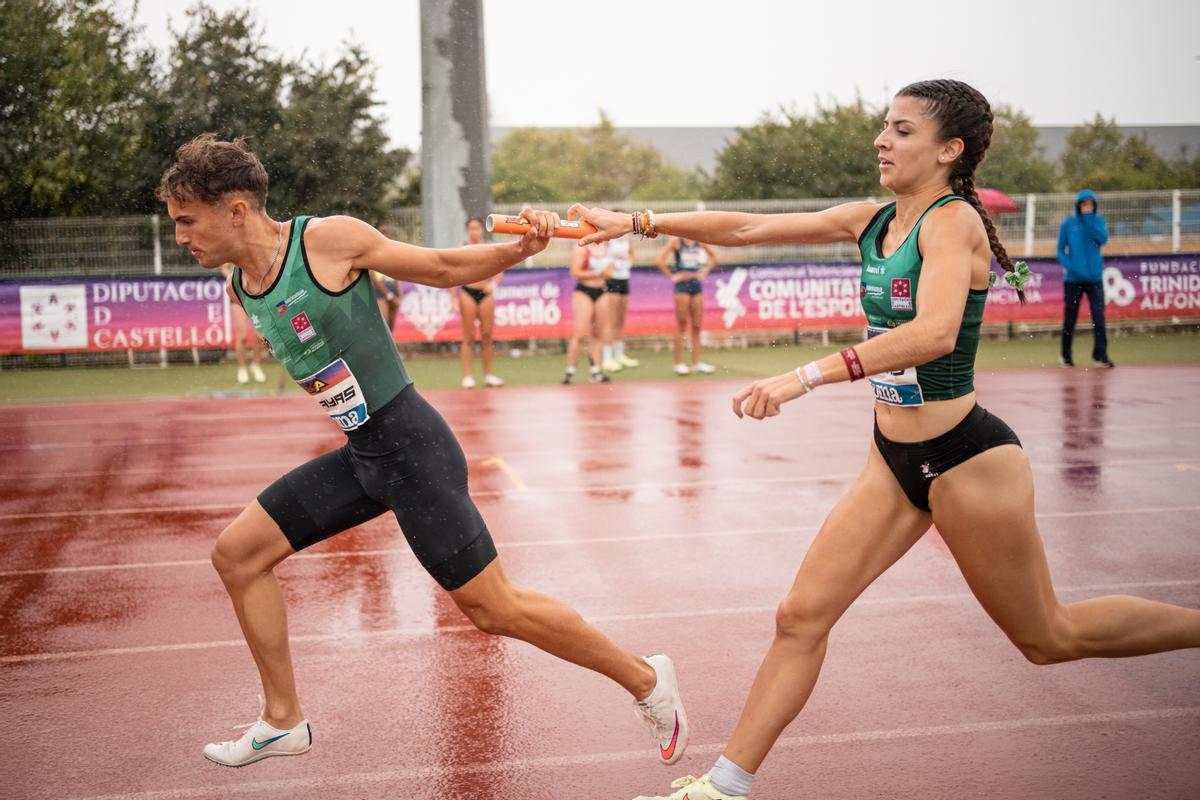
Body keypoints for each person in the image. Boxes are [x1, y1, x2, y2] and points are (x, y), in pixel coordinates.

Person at [570, 80, 1200, 800]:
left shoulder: (951, 221)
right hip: (894, 458)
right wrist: (638, 221)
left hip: (968, 459)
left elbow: (932, 334)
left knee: (1047, 638)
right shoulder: (873, 220)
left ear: (948, 149)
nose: (881, 140)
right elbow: (745, 229)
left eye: (901, 130)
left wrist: (801, 378)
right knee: (800, 615)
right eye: (884, 127)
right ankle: (725, 786)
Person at [158, 134, 687, 769]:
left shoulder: (325, 242)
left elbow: (440, 268)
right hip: (364, 457)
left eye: (187, 221)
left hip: (412, 449)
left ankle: (647, 680)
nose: (181, 237)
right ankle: (282, 720)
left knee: (495, 609)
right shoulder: (239, 282)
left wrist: (518, 249)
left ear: (236, 209)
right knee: (238, 556)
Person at [1057, 189, 1114, 368]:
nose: (1087, 206)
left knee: (1099, 317)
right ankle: (1066, 356)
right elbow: (1060, 249)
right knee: (1070, 318)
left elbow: (1103, 239)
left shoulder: (1099, 222)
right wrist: (1070, 265)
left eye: (1090, 203)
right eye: (1084, 203)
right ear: (1078, 205)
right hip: (1073, 280)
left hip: (1095, 279)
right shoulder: (1069, 223)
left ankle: (1101, 355)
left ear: (1094, 205)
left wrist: (1090, 221)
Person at [656, 236, 718, 376]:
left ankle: (697, 363)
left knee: (697, 324)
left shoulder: (699, 240)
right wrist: (672, 276)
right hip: (682, 286)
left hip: (696, 284)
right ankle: (678, 363)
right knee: (681, 323)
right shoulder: (676, 241)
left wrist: (706, 271)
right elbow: (659, 261)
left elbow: (714, 257)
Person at [455, 217, 504, 388]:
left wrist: (494, 284)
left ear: (482, 230)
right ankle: (468, 376)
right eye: (471, 228)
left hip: (486, 293)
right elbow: (451, 272)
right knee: (468, 336)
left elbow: (501, 266)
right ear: (467, 230)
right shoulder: (461, 248)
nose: (474, 231)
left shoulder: (490, 247)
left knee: (487, 335)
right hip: (467, 292)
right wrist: (451, 297)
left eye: (477, 228)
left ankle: (488, 375)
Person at [562, 239, 613, 384]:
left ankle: (596, 370)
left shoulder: (606, 246)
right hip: (584, 291)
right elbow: (575, 272)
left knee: (598, 333)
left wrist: (607, 273)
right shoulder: (581, 247)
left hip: (602, 290)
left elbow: (610, 270)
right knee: (580, 333)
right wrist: (597, 274)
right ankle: (570, 371)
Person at [219, 263, 266, 384]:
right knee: (242, 336)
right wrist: (236, 280)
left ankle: (256, 365)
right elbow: (224, 268)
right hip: (237, 296)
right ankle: (242, 368)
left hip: (255, 294)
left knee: (260, 335)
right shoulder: (231, 249)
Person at [601, 233, 638, 373]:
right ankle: (607, 358)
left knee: (620, 320)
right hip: (612, 280)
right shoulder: (609, 239)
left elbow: (632, 253)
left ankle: (619, 355)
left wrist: (629, 262)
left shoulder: (628, 238)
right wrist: (609, 266)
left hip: (624, 279)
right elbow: (601, 254)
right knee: (610, 320)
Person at [370, 223, 403, 334]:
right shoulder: (372, 253)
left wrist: (400, 293)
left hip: (392, 287)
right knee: (383, 325)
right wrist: (389, 295)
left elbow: (397, 274)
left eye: (387, 233)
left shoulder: (393, 252)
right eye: (383, 232)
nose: (386, 235)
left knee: (391, 325)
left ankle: (391, 348)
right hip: (381, 291)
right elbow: (374, 279)